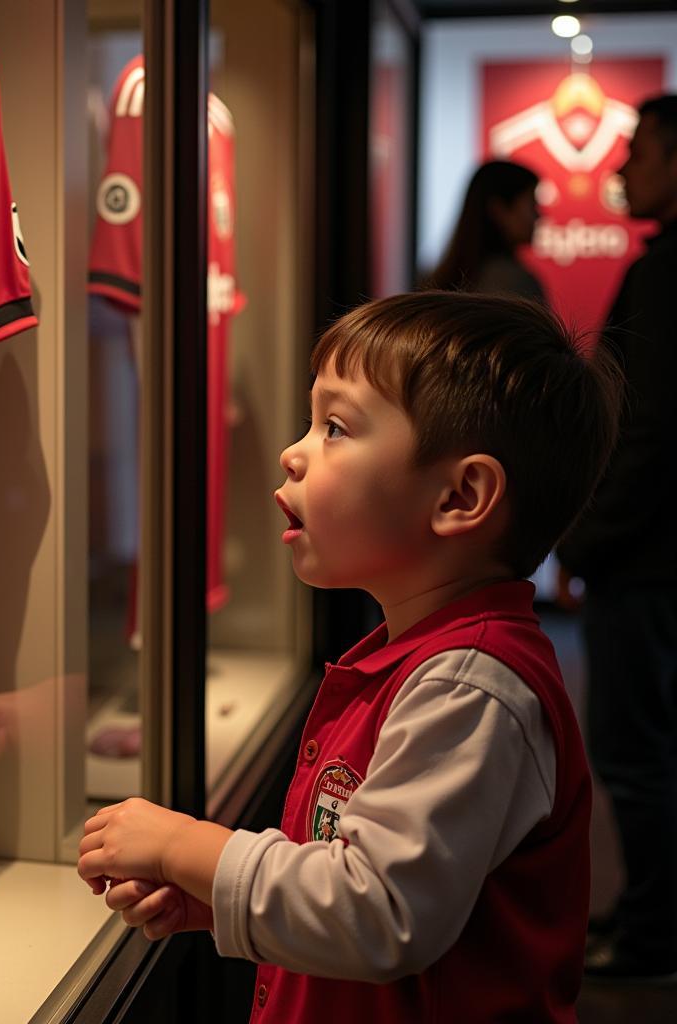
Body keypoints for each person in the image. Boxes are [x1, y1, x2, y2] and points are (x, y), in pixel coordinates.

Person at [78, 291, 622, 1021]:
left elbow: (380, 911)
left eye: (335, 427)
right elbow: (356, 875)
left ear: (462, 495)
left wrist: (188, 847)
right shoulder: (418, 660)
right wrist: (212, 900)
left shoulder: (471, 687)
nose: (292, 452)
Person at [556, 94, 677, 982]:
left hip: (647, 560)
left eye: (638, 151)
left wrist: (586, 540)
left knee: (637, 754)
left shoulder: (668, 274)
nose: (619, 169)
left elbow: (648, 432)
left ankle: (649, 939)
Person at [426, 160, 545, 300]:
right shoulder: (515, 283)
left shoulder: (438, 281)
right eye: (532, 205)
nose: (539, 215)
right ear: (499, 209)